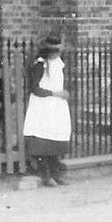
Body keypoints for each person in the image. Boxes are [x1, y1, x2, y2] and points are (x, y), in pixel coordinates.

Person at [22, 34, 71, 187]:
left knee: (55, 140)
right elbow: (34, 88)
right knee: (43, 142)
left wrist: (62, 94)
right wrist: (55, 94)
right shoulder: (40, 65)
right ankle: (46, 176)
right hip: (43, 106)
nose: (56, 54)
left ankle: (56, 175)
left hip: (56, 106)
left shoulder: (59, 63)